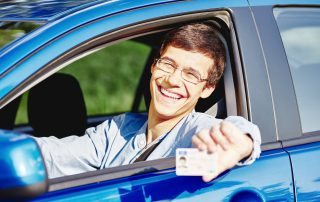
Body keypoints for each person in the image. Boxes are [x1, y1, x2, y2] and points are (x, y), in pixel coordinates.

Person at [35, 22, 261, 182]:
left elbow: (236, 132)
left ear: (207, 89)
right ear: (153, 67)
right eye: (168, 65)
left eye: (191, 75)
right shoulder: (120, 129)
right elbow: (55, 155)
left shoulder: (194, 132)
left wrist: (243, 143)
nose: (172, 80)